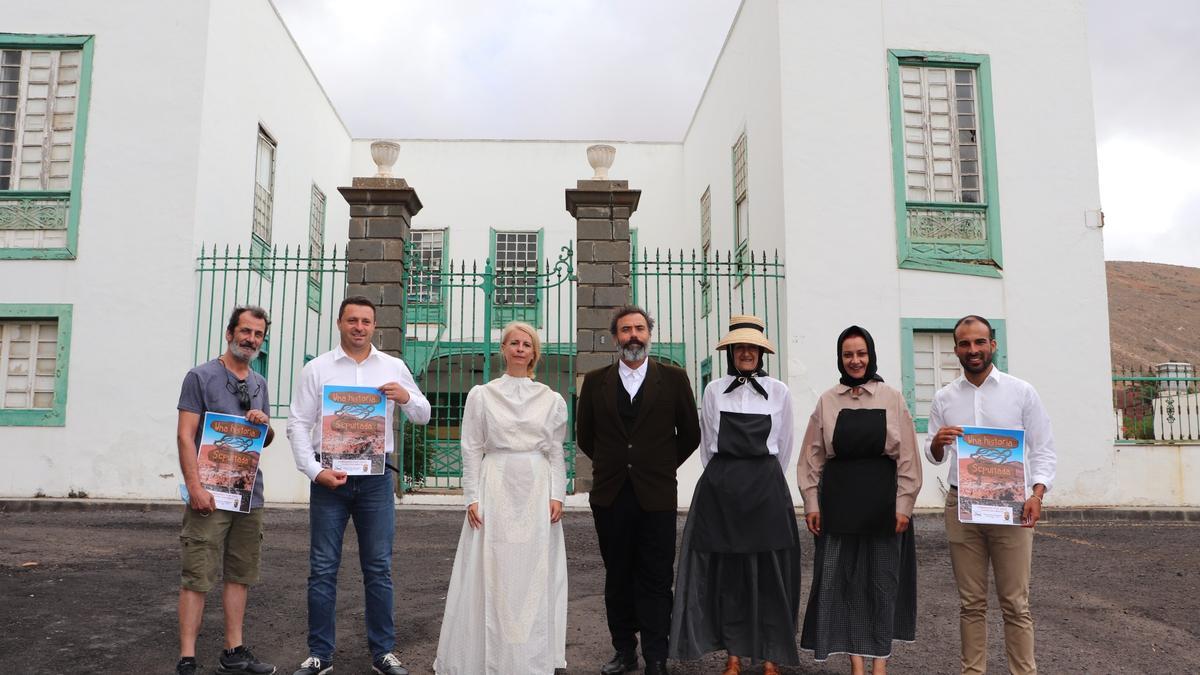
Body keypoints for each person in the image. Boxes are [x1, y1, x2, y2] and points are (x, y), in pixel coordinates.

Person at [286, 296, 431, 675]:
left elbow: (423, 415)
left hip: (376, 480)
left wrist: (406, 397)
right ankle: (319, 654)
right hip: (329, 479)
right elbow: (298, 424)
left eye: (366, 321)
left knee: (378, 569)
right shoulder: (317, 369)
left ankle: (383, 653)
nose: (359, 327)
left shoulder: (394, 367)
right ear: (339, 323)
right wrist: (313, 470)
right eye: (352, 320)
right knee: (321, 569)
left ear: (374, 326)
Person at [433, 321, 569, 674]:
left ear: (534, 352)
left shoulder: (551, 399)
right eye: (514, 343)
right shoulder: (483, 394)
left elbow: (556, 451)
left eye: (527, 344)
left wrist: (558, 494)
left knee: (533, 571)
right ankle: (486, 654)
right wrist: (471, 497)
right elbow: (471, 448)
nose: (520, 348)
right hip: (495, 484)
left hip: (537, 489)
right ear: (504, 349)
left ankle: (529, 654)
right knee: (492, 566)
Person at [669, 315, 801, 675]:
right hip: (722, 490)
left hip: (765, 489)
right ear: (731, 351)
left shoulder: (779, 391)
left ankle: (771, 656)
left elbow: (785, 446)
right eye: (740, 347)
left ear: (761, 352)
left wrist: (762, 477)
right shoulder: (713, 390)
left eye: (752, 348)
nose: (746, 353)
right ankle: (734, 657)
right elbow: (708, 447)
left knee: (769, 575)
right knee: (729, 577)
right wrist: (728, 478)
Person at [925, 315, 1056, 675]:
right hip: (961, 506)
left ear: (992, 345)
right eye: (965, 344)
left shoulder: (1021, 392)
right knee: (971, 603)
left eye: (979, 342)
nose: (973, 350)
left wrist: (1037, 494)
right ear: (956, 350)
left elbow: (1043, 448)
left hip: (1011, 506)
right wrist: (936, 442)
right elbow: (934, 455)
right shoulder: (944, 398)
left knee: (1015, 603)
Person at [576, 306, 701, 675]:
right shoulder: (597, 381)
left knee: (657, 578)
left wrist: (659, 467)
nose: (634, 335)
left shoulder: (675, 379)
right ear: (615, 337)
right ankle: (624, 652)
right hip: (610, 496)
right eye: (626, 329)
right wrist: (618, 466)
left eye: (640, 329)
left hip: (656, 497)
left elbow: (690, 435)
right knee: (618, 576)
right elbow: (586, 437)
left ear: (650, 334)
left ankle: (656, 657)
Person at [798, 325, 922, 675]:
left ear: (871, 355)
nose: (855, 360)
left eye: (861, 353)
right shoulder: (828, 400)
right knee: (846, 584)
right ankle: (855, 663)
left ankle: (880, 663)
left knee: (881, 583)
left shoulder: (891, 397)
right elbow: (812, 455)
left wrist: (904, 506)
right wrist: (811, 502)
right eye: (848, 354)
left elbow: (909, 456)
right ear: (840, 358)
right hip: (839, 506)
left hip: (883, 506)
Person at [175, 305, 277, 675]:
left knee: (240, 573)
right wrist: (194, 487)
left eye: (258, 335)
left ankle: (233, 651)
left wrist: (263, 423)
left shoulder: (259, 384)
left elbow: (264, 439)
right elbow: (185, 436)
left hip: (249, 496)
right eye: (246, 331)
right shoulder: (200, 377)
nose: (251, 339)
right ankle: (187, 658)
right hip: (209, 494)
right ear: (230, 332)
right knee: (197, 574)